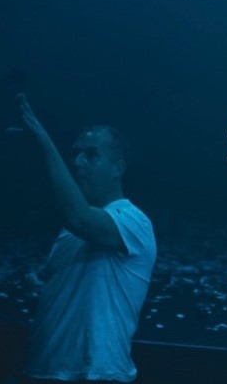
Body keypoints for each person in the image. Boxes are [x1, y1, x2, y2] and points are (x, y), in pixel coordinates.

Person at [15, 94, 157, 384]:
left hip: (96, 375)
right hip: (46, 371)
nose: (77, 162)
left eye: (91, 155)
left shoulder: (133, 221)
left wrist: (44, 143)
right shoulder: (71, 231)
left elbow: (78, 217)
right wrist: (42, 287)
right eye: (76, 154)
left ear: (118, 168)